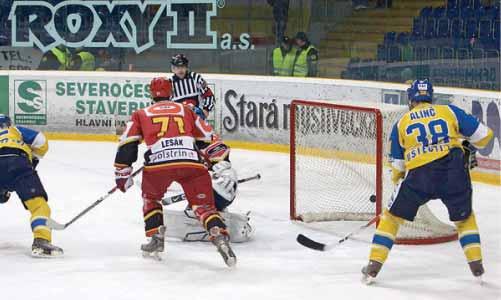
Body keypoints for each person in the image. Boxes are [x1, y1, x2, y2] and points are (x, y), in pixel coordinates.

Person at [362, 79, 494, 284]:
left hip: (420, 176)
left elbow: (397, 168)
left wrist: (399, 183)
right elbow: (486, 137)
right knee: (464, 219)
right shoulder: (448, 111)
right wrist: (467, 145)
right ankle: (476, 265)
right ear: (430, 96)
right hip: (454, 171)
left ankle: (373, 267)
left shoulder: (402, 123)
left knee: (391, 218)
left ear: (411, 99)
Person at [113, 77, 236, 267]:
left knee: (151, 199)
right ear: (171, 93)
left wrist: (123, 172)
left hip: (158, 166)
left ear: (151, 94)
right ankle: (219, 235)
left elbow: (128, 144)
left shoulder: (141, 113)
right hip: (191, 163)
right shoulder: (186, 110)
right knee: (204, 207)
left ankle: (156, 238)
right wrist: (220, 161)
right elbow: (208, 139)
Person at [0, 114, 63, 257]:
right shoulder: (15, 130)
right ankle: (41, 241)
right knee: (39, 206)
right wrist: (33, 158)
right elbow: (41, 142)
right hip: (17, 163)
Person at [169, 54, 215, 120]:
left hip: (196, 117)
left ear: (186, 67)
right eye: (177, 67)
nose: (180, 70)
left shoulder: (195, 78)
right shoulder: (170, 84)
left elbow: (209, 95)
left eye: (183, 67)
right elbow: (164, 104)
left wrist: (206, 110)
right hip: (179, 120)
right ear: (172, 69)